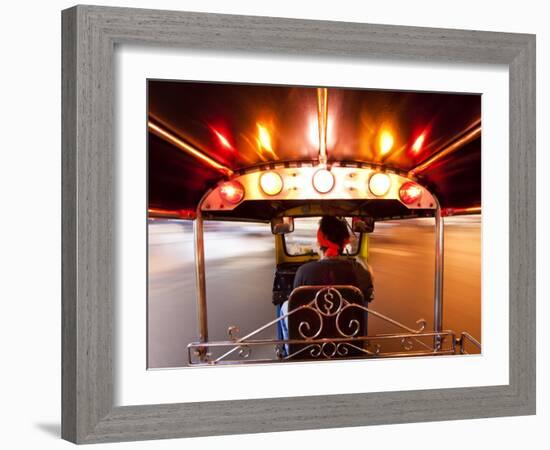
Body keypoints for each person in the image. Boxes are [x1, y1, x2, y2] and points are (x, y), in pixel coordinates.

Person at [278, 216, 374, 351]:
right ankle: (360, 345)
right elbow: (369, 295)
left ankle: (290, 350)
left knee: (286, 306)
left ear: (319, 242)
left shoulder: (304, 271)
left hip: (310, 342)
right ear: (345, 242)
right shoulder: (359, 271)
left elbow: (297, 306)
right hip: (348, 341)